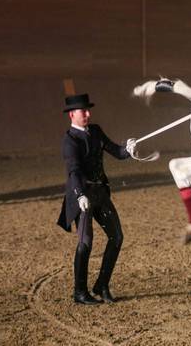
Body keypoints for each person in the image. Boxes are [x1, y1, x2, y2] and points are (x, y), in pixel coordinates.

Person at [57, 93, 137, 305]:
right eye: (84, 111)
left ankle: (101, 285)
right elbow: (73, 171)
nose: (88, 114)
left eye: (88, 110)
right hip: (81, 196)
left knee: (117, 237)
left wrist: (127, 149)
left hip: (100, 193)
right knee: (86, 242)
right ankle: (80, 292)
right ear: (72, 115)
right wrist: (79, 194)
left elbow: (116, 151)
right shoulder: (70, 140)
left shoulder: (96, 131)